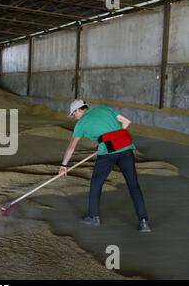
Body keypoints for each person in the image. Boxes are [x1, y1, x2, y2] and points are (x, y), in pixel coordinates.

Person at [59, 100, 151, 233]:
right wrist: (115, 138)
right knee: (133, 185)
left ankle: (93, 217)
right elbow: (126, 122)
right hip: (126, 148)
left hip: (108, 153)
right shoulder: (104, 109)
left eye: (73, 115)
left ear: (78, 110)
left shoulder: (81, 123)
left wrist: (63, 165)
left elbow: (71, 147)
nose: (74, 118)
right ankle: (144, 222)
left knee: (96, 183)